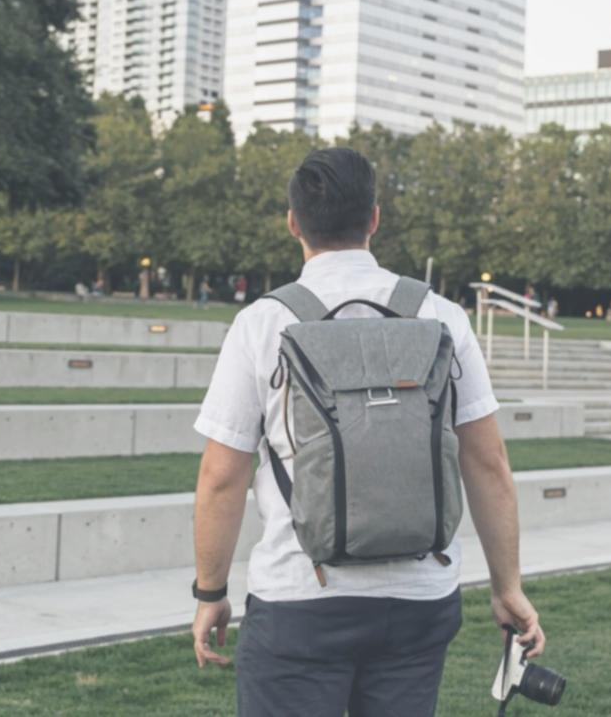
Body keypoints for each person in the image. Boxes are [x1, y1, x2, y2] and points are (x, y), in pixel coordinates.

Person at [190, 147, 544, 716]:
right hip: (419, 598)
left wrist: (210, 592)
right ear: (374, 218)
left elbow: (220, 477)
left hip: (300, 594)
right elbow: (487, 462)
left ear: (293, 223)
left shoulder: (262, 323)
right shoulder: (441, 315)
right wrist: (507, 587)